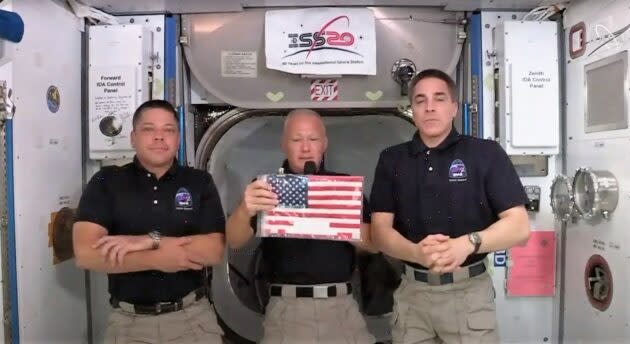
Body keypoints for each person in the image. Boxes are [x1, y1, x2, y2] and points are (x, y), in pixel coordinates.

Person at [370, 69, 531, 343]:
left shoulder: (486, 154)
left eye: (439, 98)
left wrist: (468, 243)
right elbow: (379, 232)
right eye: (420, 100)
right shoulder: (391, 160)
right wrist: (415, 253)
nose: (430, 107)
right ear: (413, 110)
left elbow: (519, 226)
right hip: (412, 297)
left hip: (470, 295)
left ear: (454, 107)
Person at [73, 99, 225, 343]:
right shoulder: (106, 182)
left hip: (192, 320)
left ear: (177, 138)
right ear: (133, 137)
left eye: (168, 130)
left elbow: (213, 251)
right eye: (148, 129)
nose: (159, 137)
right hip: (128, 324)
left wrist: (148, 241)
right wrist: (160, 258)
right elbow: (87, 253)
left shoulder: (199, 182)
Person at [225, 108, 376, 343]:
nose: (305, 148)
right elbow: (234, 240)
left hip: (342, 308)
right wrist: (245, 209)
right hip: (286, 312)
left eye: (313, 139)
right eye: (297, 140)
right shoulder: (265, 188)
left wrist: (339, 221)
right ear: (284, 144)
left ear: (324, 144)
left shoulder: (344, 187)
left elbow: (374, 245)